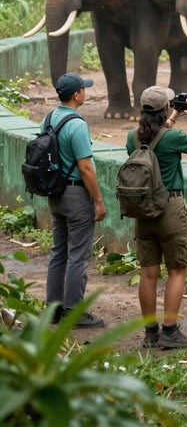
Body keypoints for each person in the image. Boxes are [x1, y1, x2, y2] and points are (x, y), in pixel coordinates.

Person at [126, 86, 187, 349]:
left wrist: (171, 117)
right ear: (164, 108)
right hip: (169, 207)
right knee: (176, 269)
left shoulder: (132, 137)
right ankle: (170, 330)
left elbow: (153, 138)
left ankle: (150, 333)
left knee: (148, 273)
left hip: (142, 208)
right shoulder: (173, 139)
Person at [45, 72, 106, 327]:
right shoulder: (77, 124)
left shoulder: (49, 119)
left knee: (58, 252)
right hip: (76, 194)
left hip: (55, 193)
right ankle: (74, 311)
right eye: (83, 88)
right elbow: (86, 168)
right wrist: (99, 200)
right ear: (76, 95)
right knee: (78, 255)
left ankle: (54, 308)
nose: (85, 91)